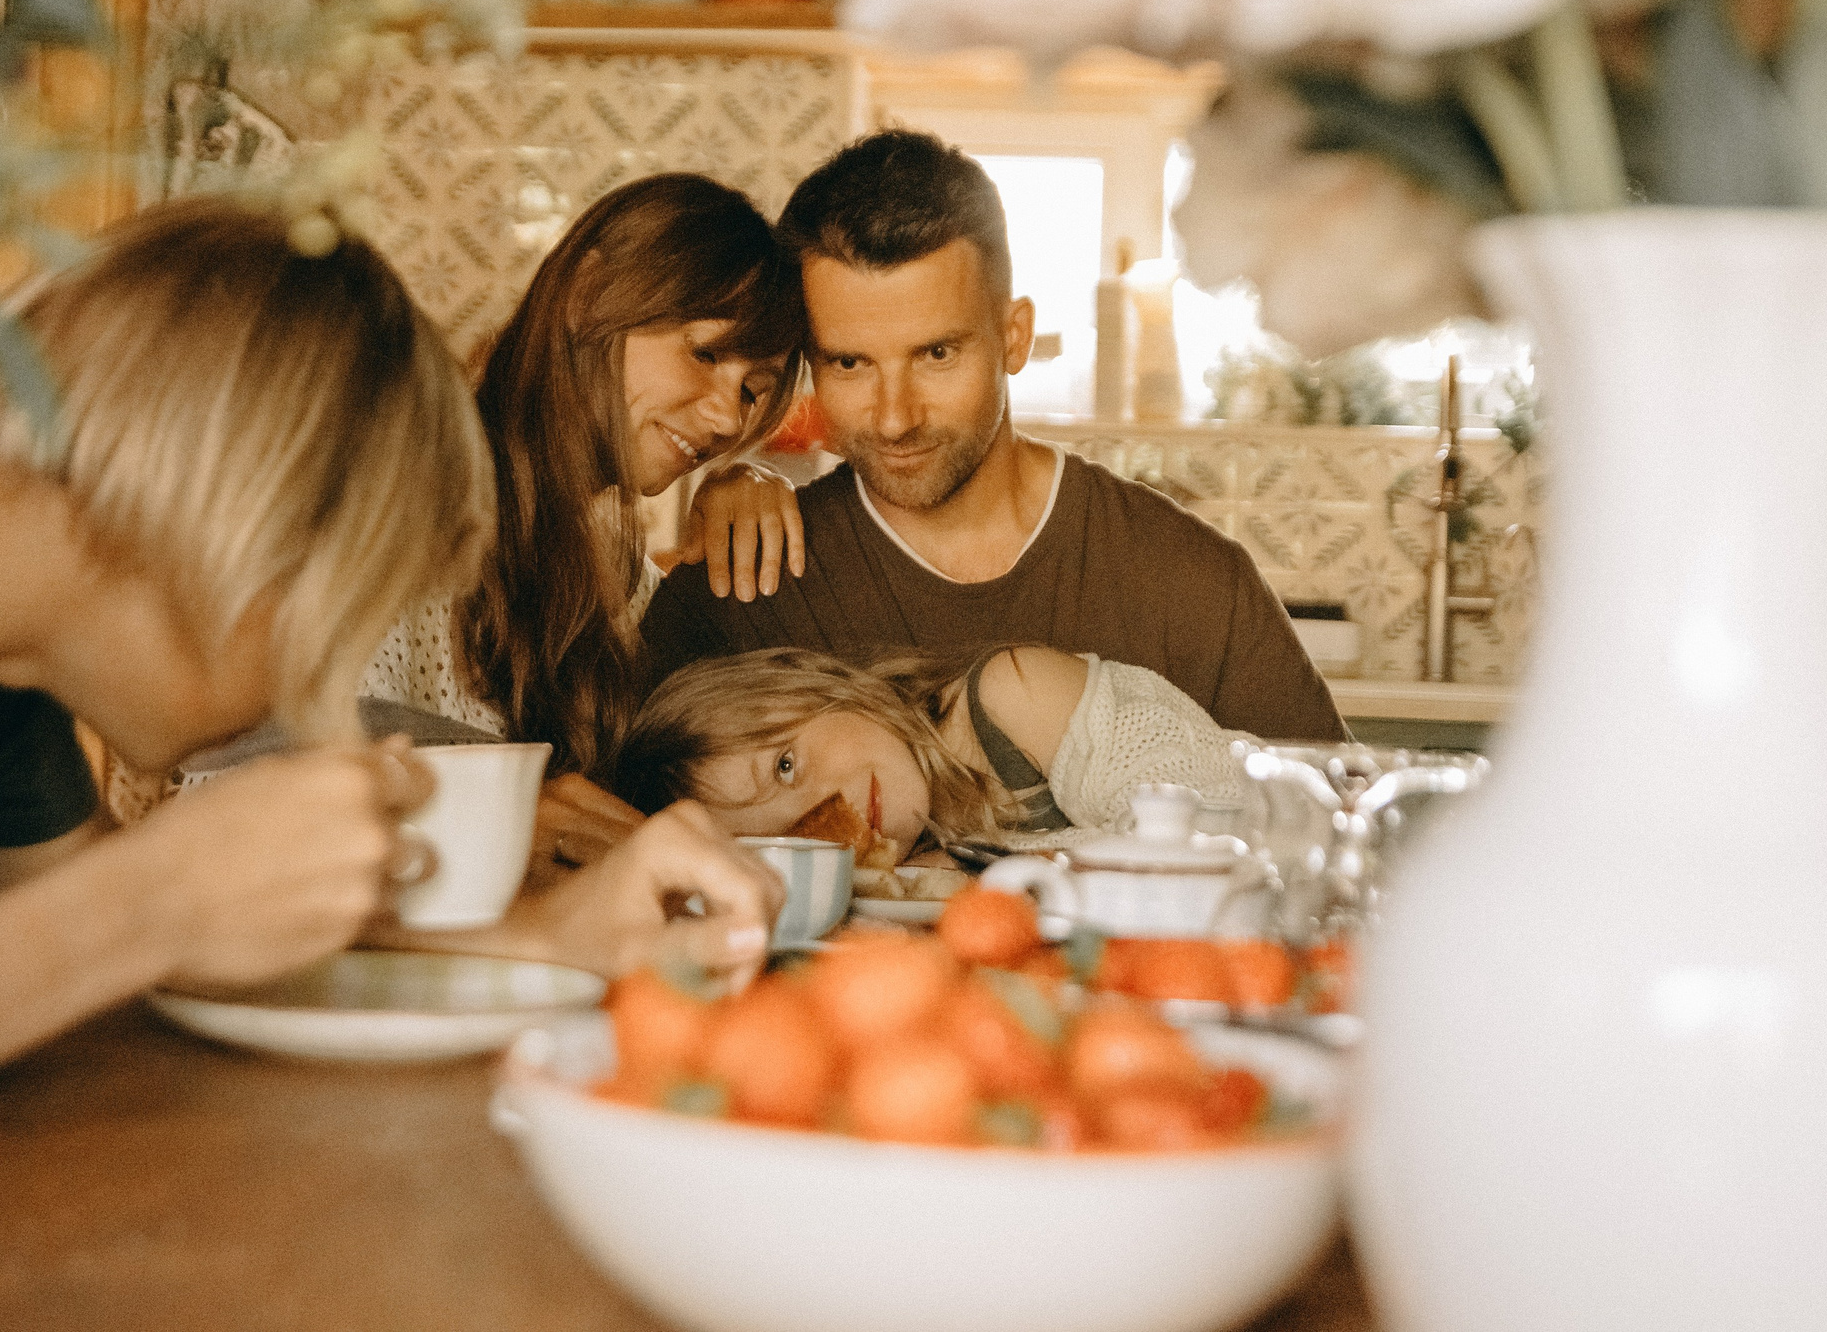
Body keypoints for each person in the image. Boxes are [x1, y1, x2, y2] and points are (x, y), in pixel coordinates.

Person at [0, 201, 781, 1125]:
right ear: (243, 530)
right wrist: (157, 897)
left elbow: (91, 949)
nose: (313, 694)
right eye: (330, 624)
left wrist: (535, 941)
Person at [639, 129, 1345, 742]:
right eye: (850, 363)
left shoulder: (1191, 586)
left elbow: (1330, 830)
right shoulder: (736, 598)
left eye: (936, 354)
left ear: (1014, 337)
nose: (894, 417)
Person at [358, 172, 804, 864]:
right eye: (705, 352)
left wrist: (744, 502)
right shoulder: (399, 479)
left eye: (753, 390)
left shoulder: (615, 567)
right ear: (587, 295)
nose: (726, 417)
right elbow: (275, 769)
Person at [603, 643, 1266, 857]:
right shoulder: (920, 852)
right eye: (792, 835)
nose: (827, 811)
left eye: (785, 765)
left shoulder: (1012, 693)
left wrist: (999, 888)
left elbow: (1198, 841)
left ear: (815, 683)